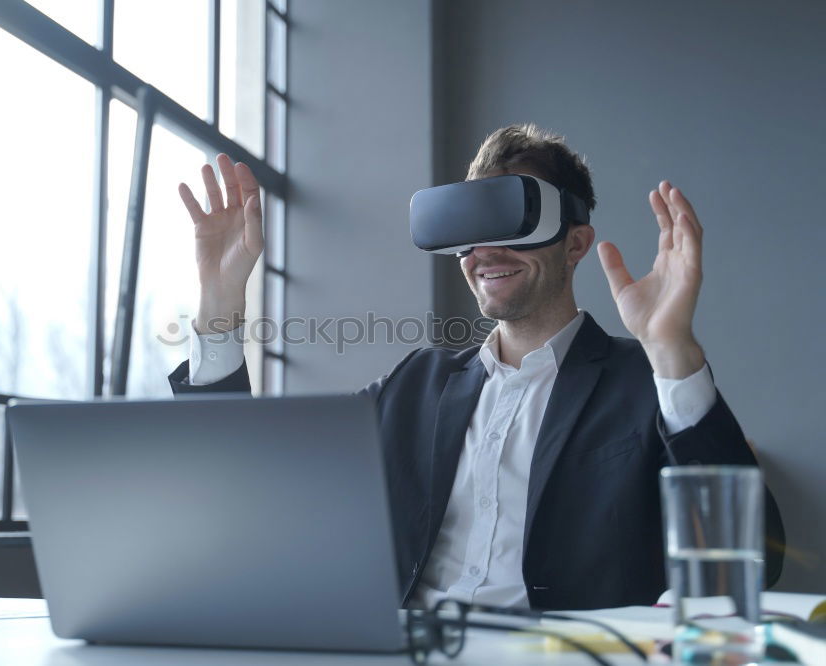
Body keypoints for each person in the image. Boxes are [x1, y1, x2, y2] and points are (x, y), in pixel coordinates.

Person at [168, 124, 785, 610]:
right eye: (469, 229)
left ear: (574, 243)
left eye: (511, 223)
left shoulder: (647, 384)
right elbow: (240, 481)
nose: (484, 252)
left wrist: (671, 348)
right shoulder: (415, 386)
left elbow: (753, 555)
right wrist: (220, 304)